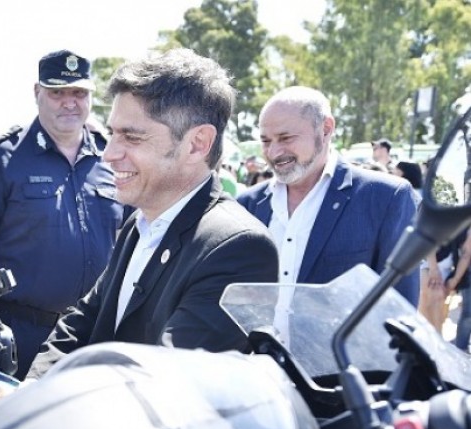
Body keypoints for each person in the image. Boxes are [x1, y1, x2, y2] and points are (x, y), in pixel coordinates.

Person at [25, 48, 278, 379]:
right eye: (112, 134)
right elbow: (84, 320)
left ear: (197, 144)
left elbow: (163, 384)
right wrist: (28, 394)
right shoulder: (141, 222)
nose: (109, 155)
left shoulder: (240, 250)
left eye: (131, 137)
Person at [0, 49, 124, 379]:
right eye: (57, 92)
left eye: (79, 92)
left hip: (96, 335)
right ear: (37, 93)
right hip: (23, 335)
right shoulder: (2, 157)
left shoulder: (113, 157)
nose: (69, 102)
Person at [237, 86, 419, 304]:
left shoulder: (386, 198)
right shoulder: (247, 204)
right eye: (266, 141)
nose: (274, 152)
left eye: (286, 138)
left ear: (325, 129)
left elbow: (399, 310)